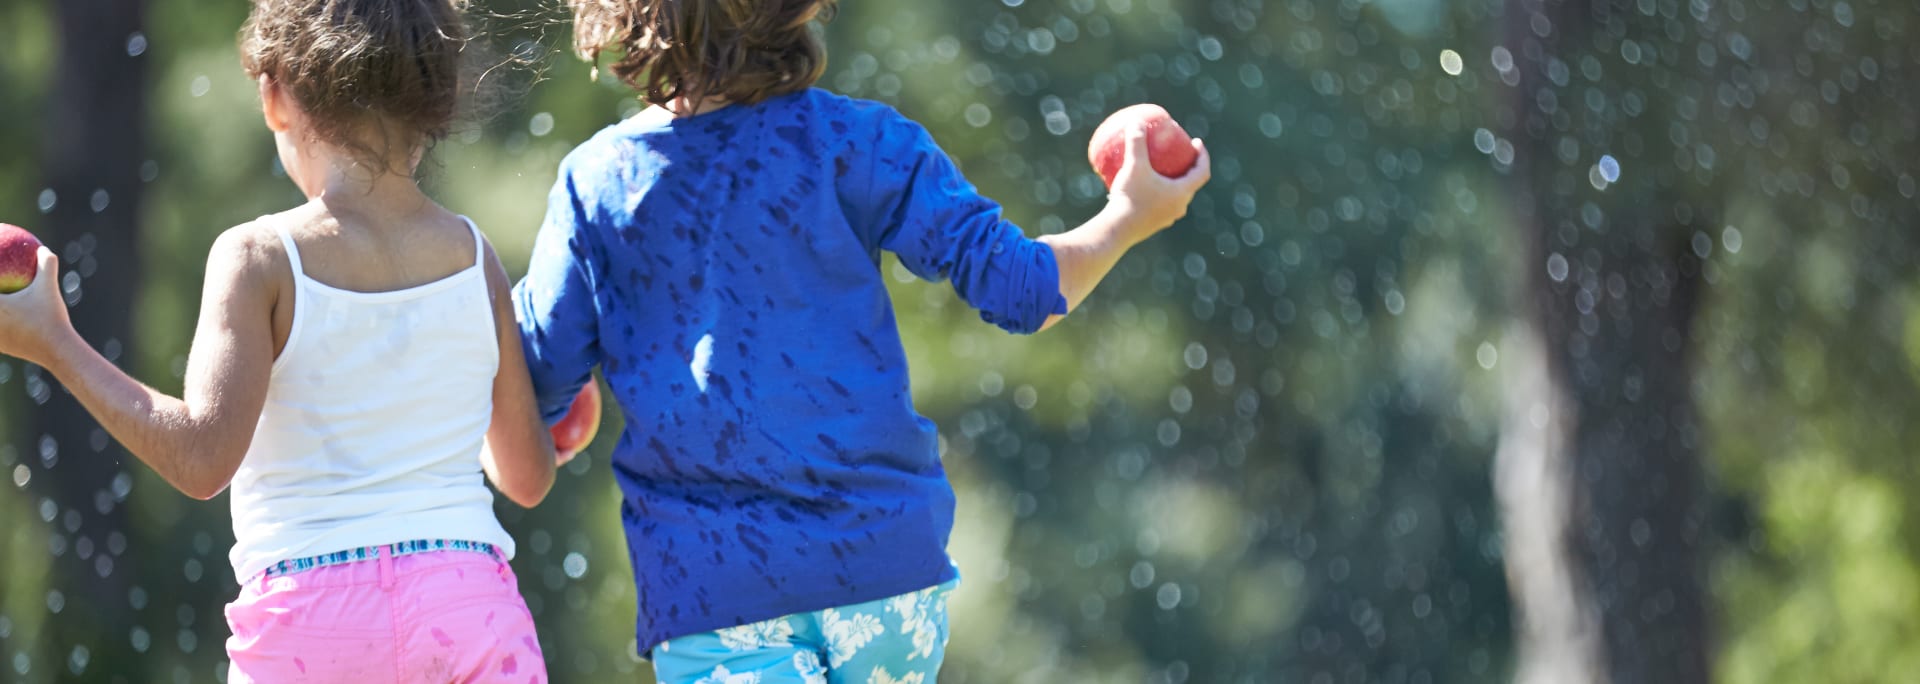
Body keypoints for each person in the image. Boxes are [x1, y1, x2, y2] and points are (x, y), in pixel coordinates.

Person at [514, 0, 1211, 681]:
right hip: (885, 584)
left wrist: (546, 420)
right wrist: (1128, 215)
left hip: (718, 598)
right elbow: (1024, 289)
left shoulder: (598, 184)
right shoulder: (863, 143)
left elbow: (534, 379)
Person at [0, 1, 556, 681]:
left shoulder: (260, 257)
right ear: (438, 100)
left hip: (316, 625)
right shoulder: (476, 259)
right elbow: (526, 478)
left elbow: (202, 461)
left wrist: (54, 341)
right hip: (468, 605)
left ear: (275, 94)